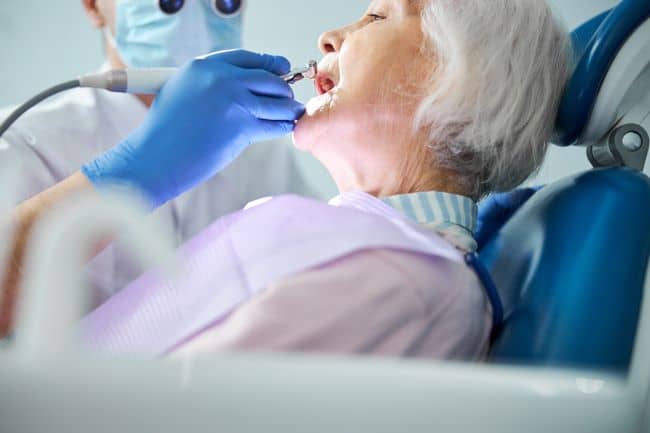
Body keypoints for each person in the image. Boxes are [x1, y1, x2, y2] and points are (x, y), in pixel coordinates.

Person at [3, 0, 572, 360]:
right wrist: (130, 174)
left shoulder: (399, 277)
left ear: (462, 79)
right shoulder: (362, 245)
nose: (327, 36)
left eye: (376, 15)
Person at [0, 0, 317, 334]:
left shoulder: (264, 155)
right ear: (93, 7)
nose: (195, 21)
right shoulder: (24, 142)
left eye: (224, 2)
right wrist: (132, 173)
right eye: (168, 1)